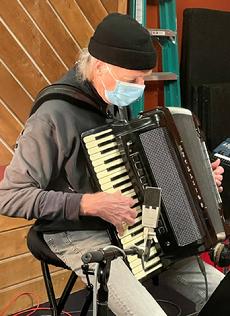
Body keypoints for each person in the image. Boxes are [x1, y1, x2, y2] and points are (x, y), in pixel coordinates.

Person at [0, 13, 225, 315]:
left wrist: (196, 181)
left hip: (128, 224)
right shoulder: (54, 116)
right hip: (74, 230)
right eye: (133, 79)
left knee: (220, 290)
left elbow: (135, 172)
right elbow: (9, 196)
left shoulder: (108, 99)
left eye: (144, 77)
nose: (140, 86)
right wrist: (87, 204)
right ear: (99, 66)